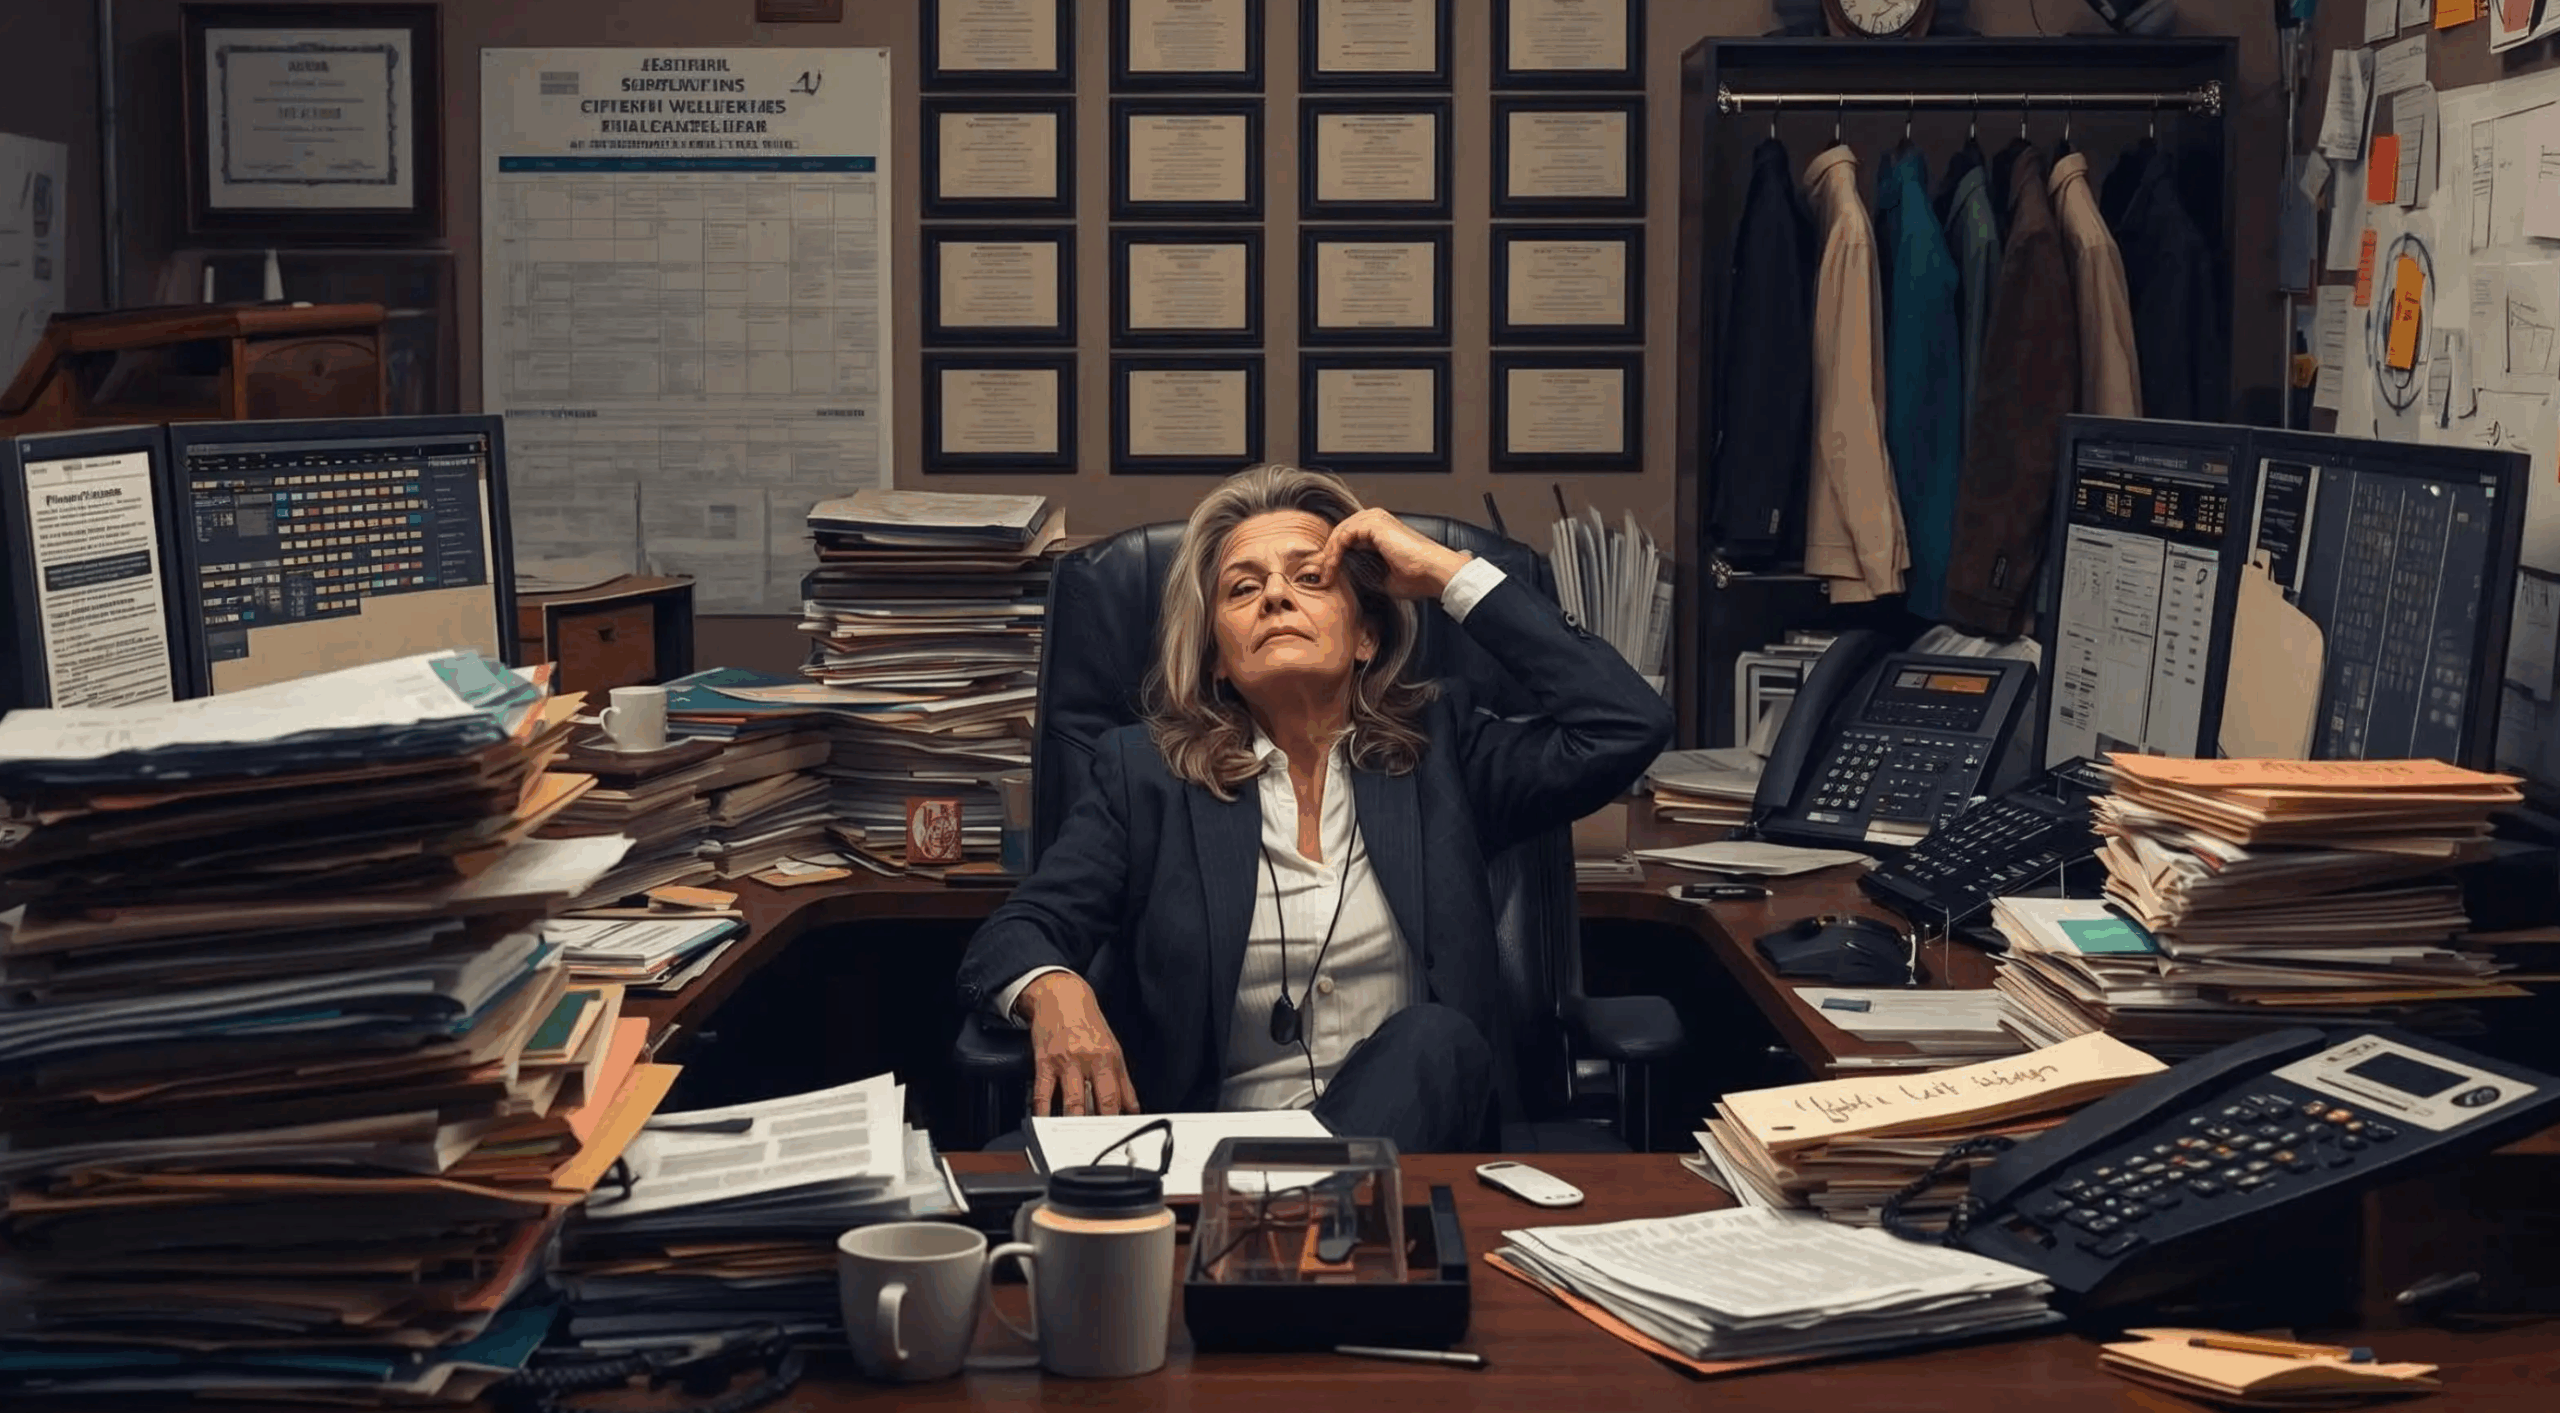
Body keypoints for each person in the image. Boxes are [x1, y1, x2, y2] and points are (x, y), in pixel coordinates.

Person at [955, 465, 1672, 1153]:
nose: (1275, 596)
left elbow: (1626, 725)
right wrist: (1055, 989)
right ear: (1217, 658)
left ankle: (1298, 1211)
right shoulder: (1144, 777)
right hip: (1208, 1155)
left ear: (1366, 637)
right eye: (1243, 588)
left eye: (1310, 578)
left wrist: (1444, 574)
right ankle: (1301, 1214)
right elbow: (1017, 932)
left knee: (1433, 1039)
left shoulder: (1442, 753)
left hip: (1412, 1162)